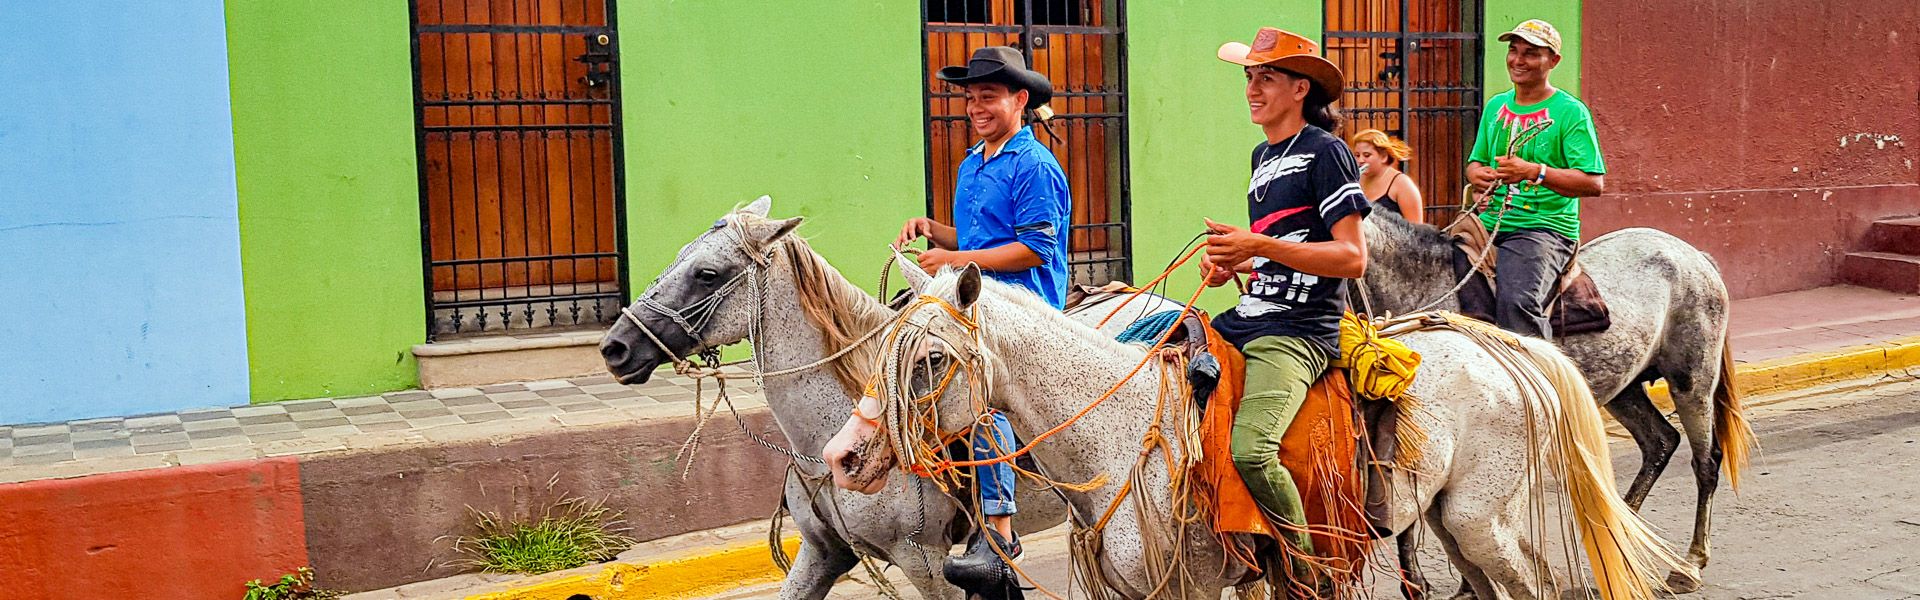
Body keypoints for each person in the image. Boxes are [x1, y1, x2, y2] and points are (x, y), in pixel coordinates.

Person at [894, 45, 1072, 562]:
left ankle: (999, 525)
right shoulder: (974, 163)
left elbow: (1033, 249)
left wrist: (954, 256)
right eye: (971, 99)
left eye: (988, 97)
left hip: (1023, 307)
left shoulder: (1035, 165)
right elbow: (977, 236)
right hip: (975, 297)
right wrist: (933, 231)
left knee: (979, 398)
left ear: (1019, 100)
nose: (976, 108)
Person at [1205, 27, 1370, 569]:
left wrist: (1257, 243)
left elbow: (1350, 258)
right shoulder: (1262, 156)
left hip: (1298, 330)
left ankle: (1308, 569)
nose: (1252, 89)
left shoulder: (1328, 153)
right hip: (1249, 315)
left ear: (1301, 90)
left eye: (1267, 78)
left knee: (1252, 450)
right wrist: (1236, 261)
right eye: (1249, 77)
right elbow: (1283, 252)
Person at [1463, 19, 1606, 339]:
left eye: (1530, 53)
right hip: (1485, 224)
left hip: (1543, 228)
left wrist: (1534, 172)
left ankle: (1542, 379)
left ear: (1553, 61)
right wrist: (1477, 177)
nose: (1518, 60)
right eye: (1513, 51)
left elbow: (1593, 183)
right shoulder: (1495, 105)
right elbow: (1475, 162)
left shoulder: (1570, 111)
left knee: (1517, 303)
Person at [1349, 129, 1425, 224]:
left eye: (1367, 155)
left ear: (1384, 156)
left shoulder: (1402, 184)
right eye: (1357, 155)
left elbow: (1416, 230)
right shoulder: (1355, 181)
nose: (1360, 160)